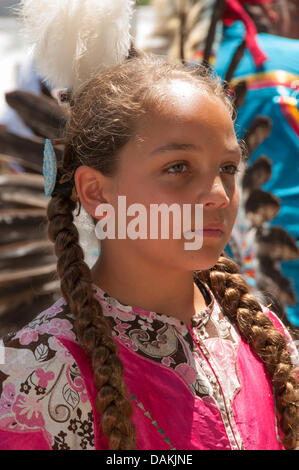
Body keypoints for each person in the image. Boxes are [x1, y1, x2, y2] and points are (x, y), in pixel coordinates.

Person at [0, 54, 298, 451]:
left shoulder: (265, 339)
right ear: (96, 192)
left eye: (227, 167)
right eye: (178, 167)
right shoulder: (39, 376)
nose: (218, 195)